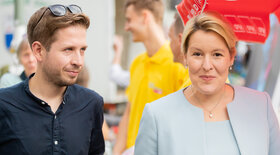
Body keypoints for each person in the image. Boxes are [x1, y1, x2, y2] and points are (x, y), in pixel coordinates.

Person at [134, 12, 280, 155]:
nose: (207, 66)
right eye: (197, 54)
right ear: (185, 56)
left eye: (217, 54)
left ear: (231, 57)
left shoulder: (260, 106)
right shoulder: (156, 115)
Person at [0, 4, 105, 154]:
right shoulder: (4, 104)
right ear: (38, 51)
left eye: (82, 50)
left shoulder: (91, 104)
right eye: (68, 49)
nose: (79, 61)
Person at [112, 0, 188, 154]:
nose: (126, 27)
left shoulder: (178, 64)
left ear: (145, 17)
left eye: (129, 20)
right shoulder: (137, 63)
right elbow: (128, 115)